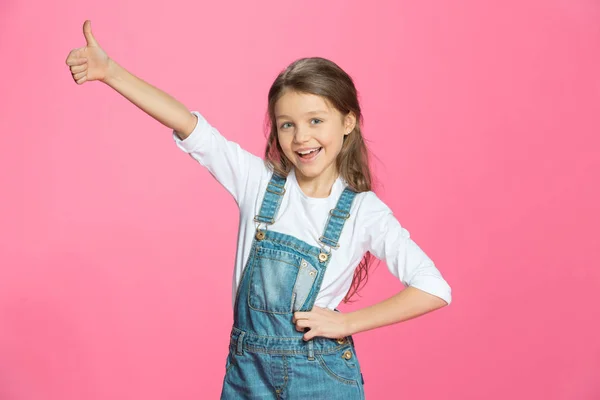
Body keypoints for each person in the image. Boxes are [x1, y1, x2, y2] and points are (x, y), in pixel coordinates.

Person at [66, 20, 452, 400]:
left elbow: (433, 288)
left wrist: (348, 322)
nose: (301, 137)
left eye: (316, 121)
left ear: (348, 121)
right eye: (287, 125)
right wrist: (110, 72)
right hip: (248, 372)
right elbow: (190, 126)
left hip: (320, 373)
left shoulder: (364, 211)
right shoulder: (258, 182)